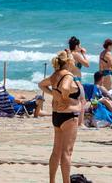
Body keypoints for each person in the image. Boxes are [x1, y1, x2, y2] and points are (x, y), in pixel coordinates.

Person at [38, 51, 80, 183]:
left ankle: (52, 181)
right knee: (66, 153)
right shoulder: (68, 75)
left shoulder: (55, 74)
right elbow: (65, 87)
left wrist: (53, 94)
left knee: (56, 151)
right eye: (72, 59)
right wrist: (64, 97)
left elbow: (41, 84)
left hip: (57, 115)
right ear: (68, 62)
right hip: (69, 115)